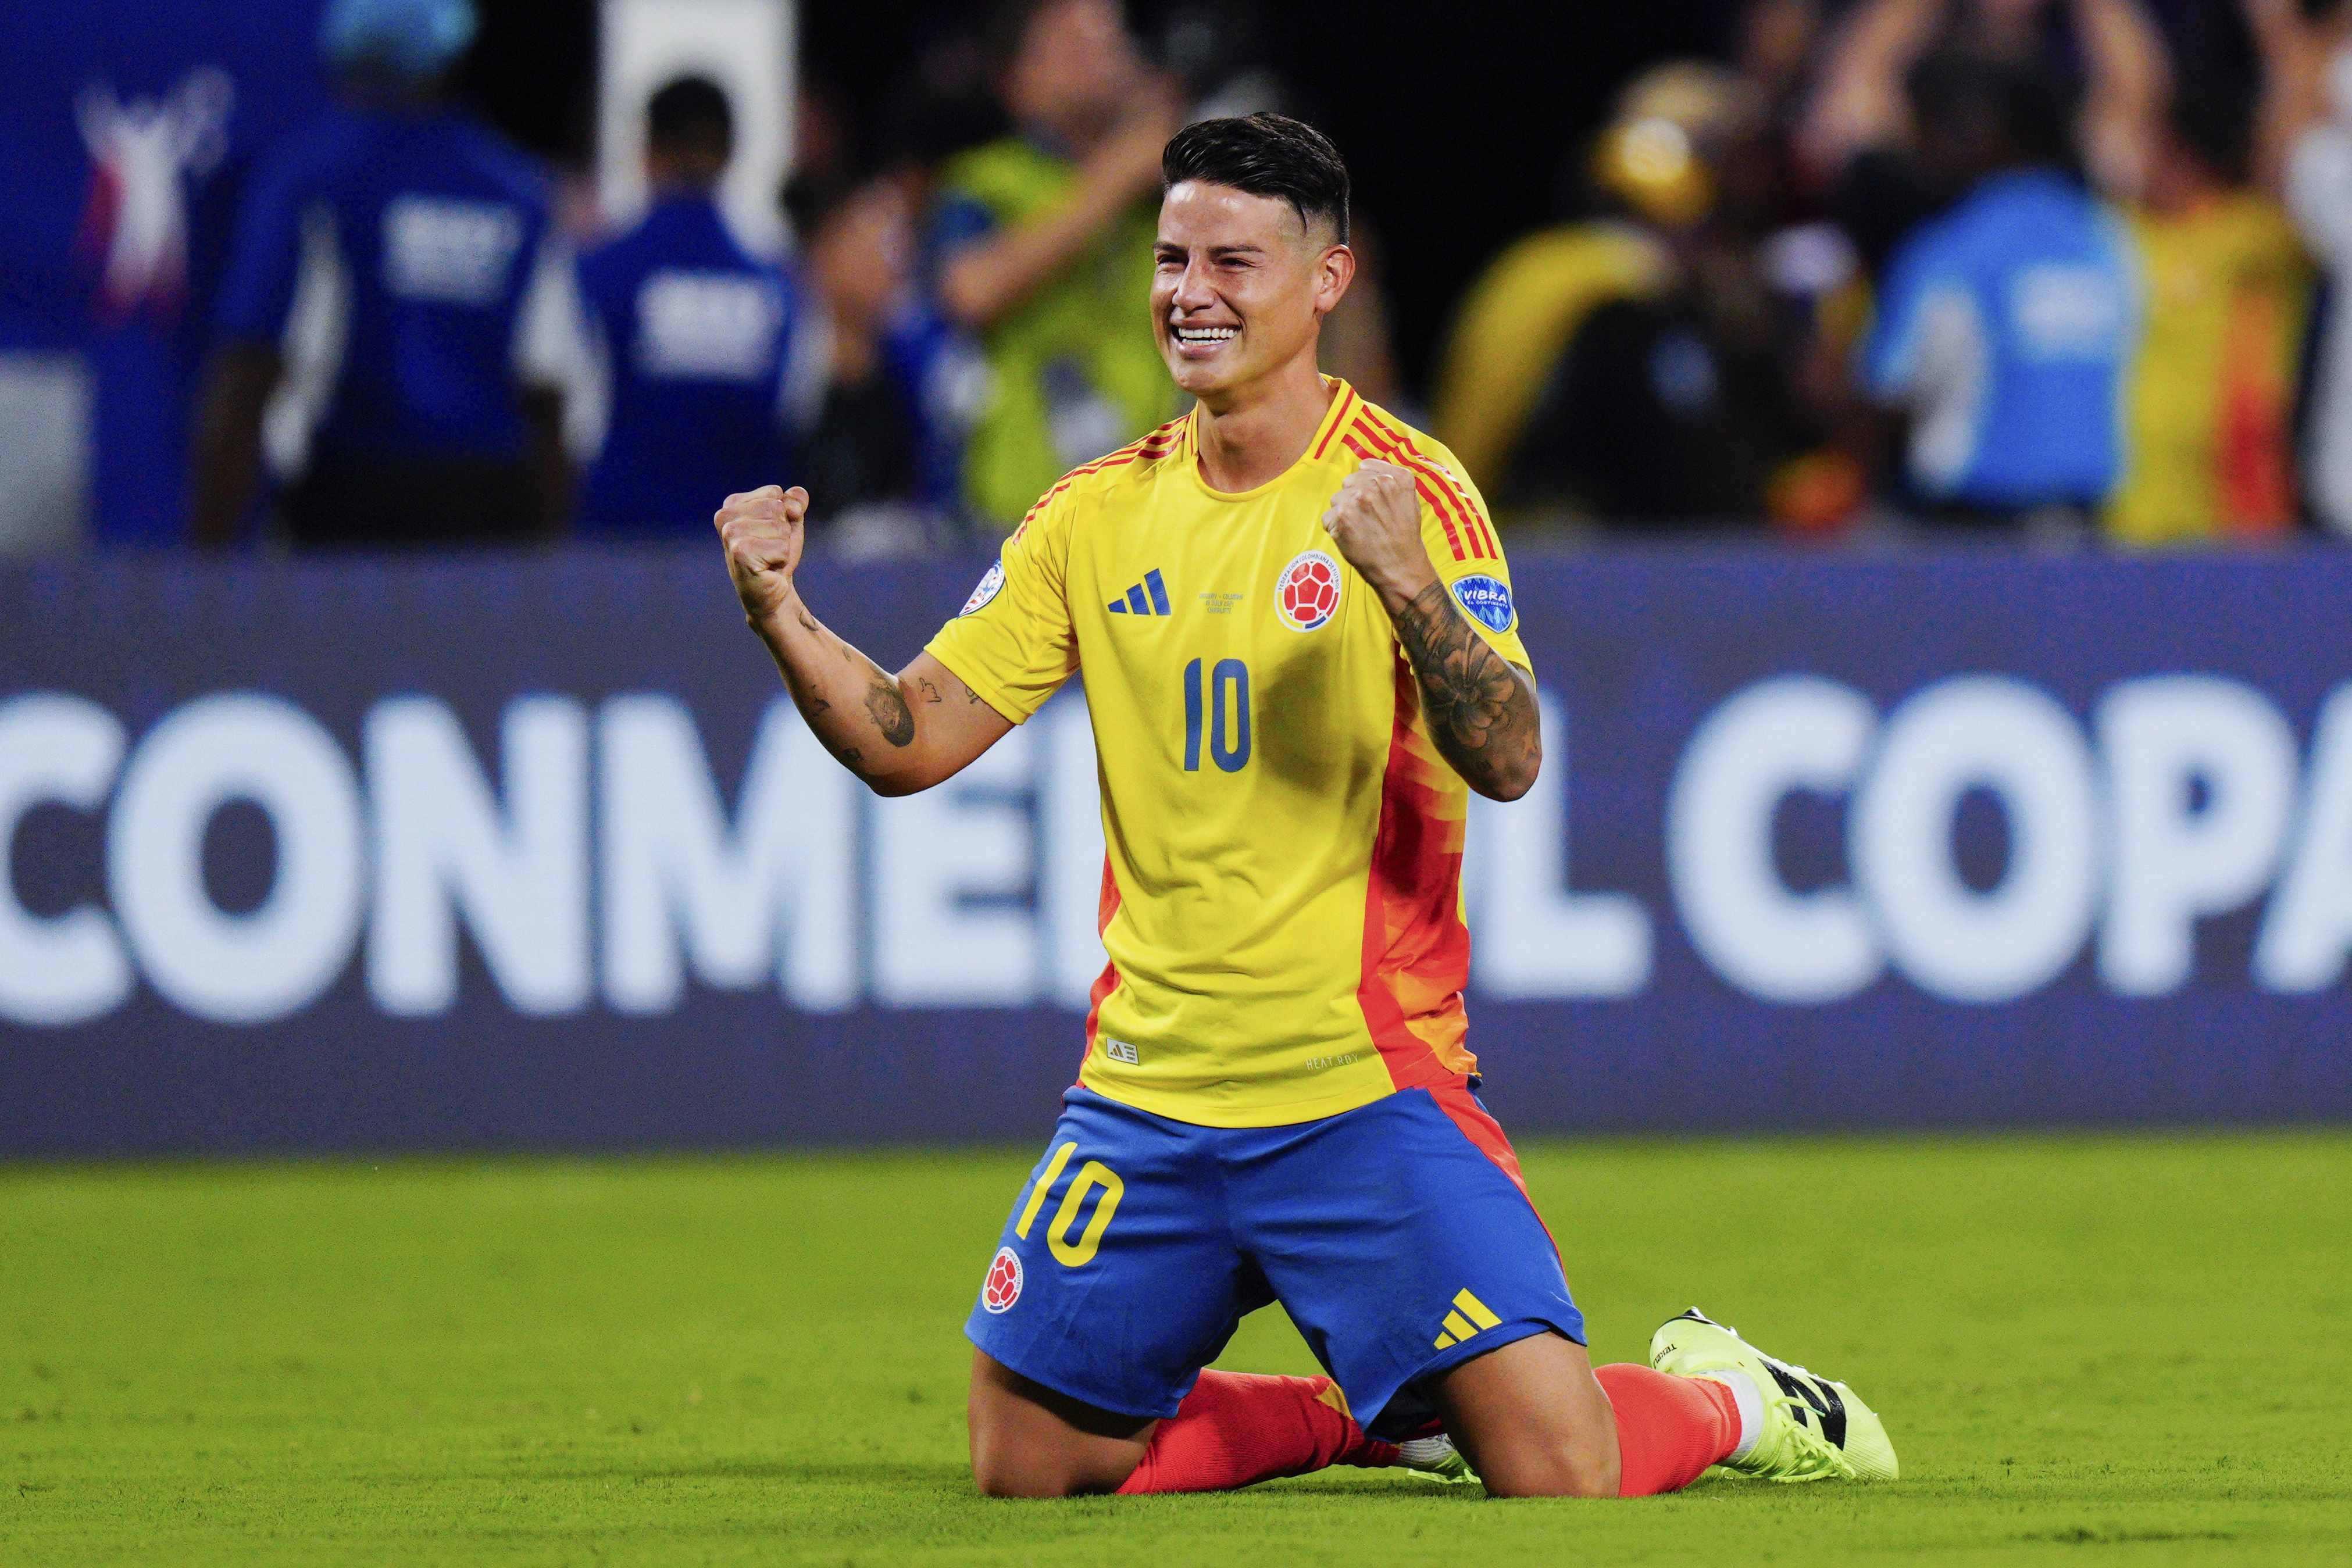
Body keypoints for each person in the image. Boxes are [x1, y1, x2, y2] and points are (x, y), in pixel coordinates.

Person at [713, 113, 1899, 1500]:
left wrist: (1407, 585)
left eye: (1233, 262)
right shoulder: (1091, 514)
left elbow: (1509, 755)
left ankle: (1733, 1398)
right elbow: (908, 739)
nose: (1189, 292)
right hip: (1149, 1095)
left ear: (1325, 280)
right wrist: (781, 613)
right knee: (1026, 1459)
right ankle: (1375, 1418)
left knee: (1558, 1465)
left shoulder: (1408, 492)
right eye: (1171, 259)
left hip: (1359, 1087)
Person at [191, 0, 574, 548]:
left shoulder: (310, 180)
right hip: (490, 506)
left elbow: (249, 370)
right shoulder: (520, 193)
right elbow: (548, 391)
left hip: (350, 500)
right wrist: (549, 553)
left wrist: (208, 556)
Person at [1855, 53, 2139, 529]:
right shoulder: (2109, 238)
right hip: (2088, 517)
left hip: (1971, 521)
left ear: (1980, 132)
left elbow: (1888, 386)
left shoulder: (1954, 247)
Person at [931, 0, 1184, 530]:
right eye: (1071, 44)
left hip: (1152, 502)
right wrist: (1115, 176)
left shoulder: (1171, 191)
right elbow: (970, 292)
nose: (1098, 54)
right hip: (1021, 509)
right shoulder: (986, 180)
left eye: (1108, 38)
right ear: (1015, 80)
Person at [569, 78, 795, 541]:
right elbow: (794, 415)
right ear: (731, 152)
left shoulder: (598, 270)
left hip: (620, 539)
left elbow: (570, 411)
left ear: (647, 150)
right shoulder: (778, 286)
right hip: (741, 549)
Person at [781, 169, 987, 558]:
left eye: (890, 243)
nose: (883, 259)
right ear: (821, 255)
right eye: (862, 243)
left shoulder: (923, 367)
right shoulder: (787, 371)